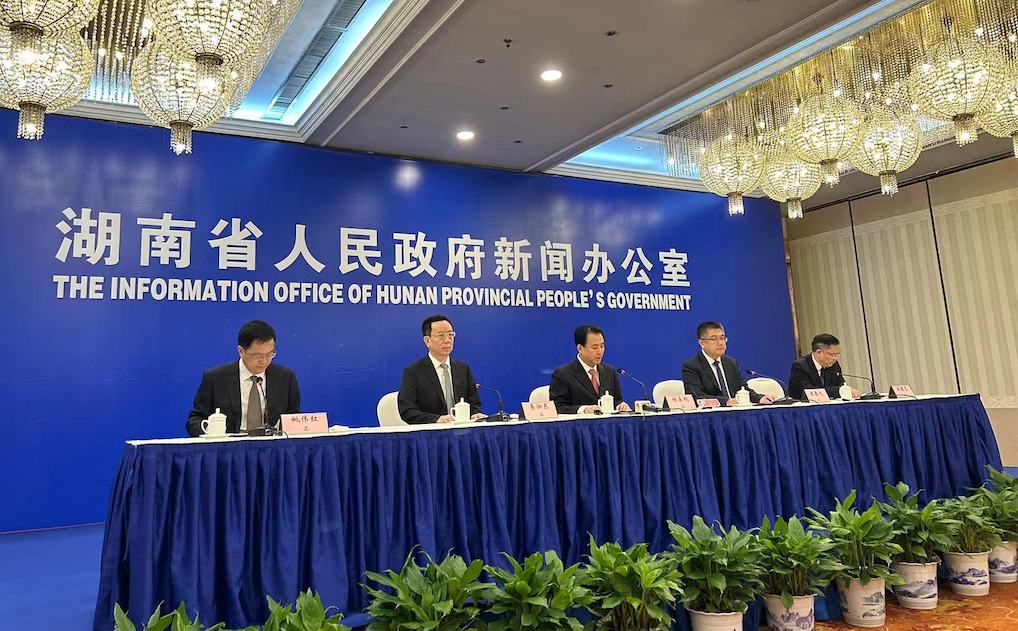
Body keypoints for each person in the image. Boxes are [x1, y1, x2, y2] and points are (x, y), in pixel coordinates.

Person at [186, 320, 301, 436]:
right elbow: (195, 420)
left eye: (269, 354)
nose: (264, 361)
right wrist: (213, 434)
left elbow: (294, 419)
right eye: (258, 355)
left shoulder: (286, 378)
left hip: (271, 445)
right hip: (229, 445)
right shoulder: (215, 378)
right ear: (241, 351)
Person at [397, 314, 484, 424]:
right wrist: (437, 419)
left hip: (462, 430)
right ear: (427, 341)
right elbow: (407, 411)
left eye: (450, 335)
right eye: (441, 336)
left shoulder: (463, 369)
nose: (447, 340)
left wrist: (474, 414)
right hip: (433, 432)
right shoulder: (413, 372)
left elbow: (474, 404)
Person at [681, 321, 774, 406]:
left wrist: (760, 398)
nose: (720, 343)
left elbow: (742, 389)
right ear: (702, 343)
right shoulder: (692, 366)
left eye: (722, 338)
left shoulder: (731, 363)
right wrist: (726, 401)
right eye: (714, 339)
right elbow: (696, 395)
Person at [549, 324, 631, 414]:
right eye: (594, 347)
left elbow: (617, 401)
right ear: (580, 348)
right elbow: (558, 407)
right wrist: (584, 410)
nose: (600, 352)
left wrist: (621, 405)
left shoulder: (610, 371)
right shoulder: (563, 374)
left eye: (602, 346)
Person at [788, 333, 860, 401]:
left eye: (837, 355)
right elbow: (811, 392)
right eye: (833, 355)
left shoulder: (834, 365)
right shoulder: (800, 366)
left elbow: (841, 384)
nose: (835, 359)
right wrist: (839, 391)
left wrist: (848, 391)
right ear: (819, 353)